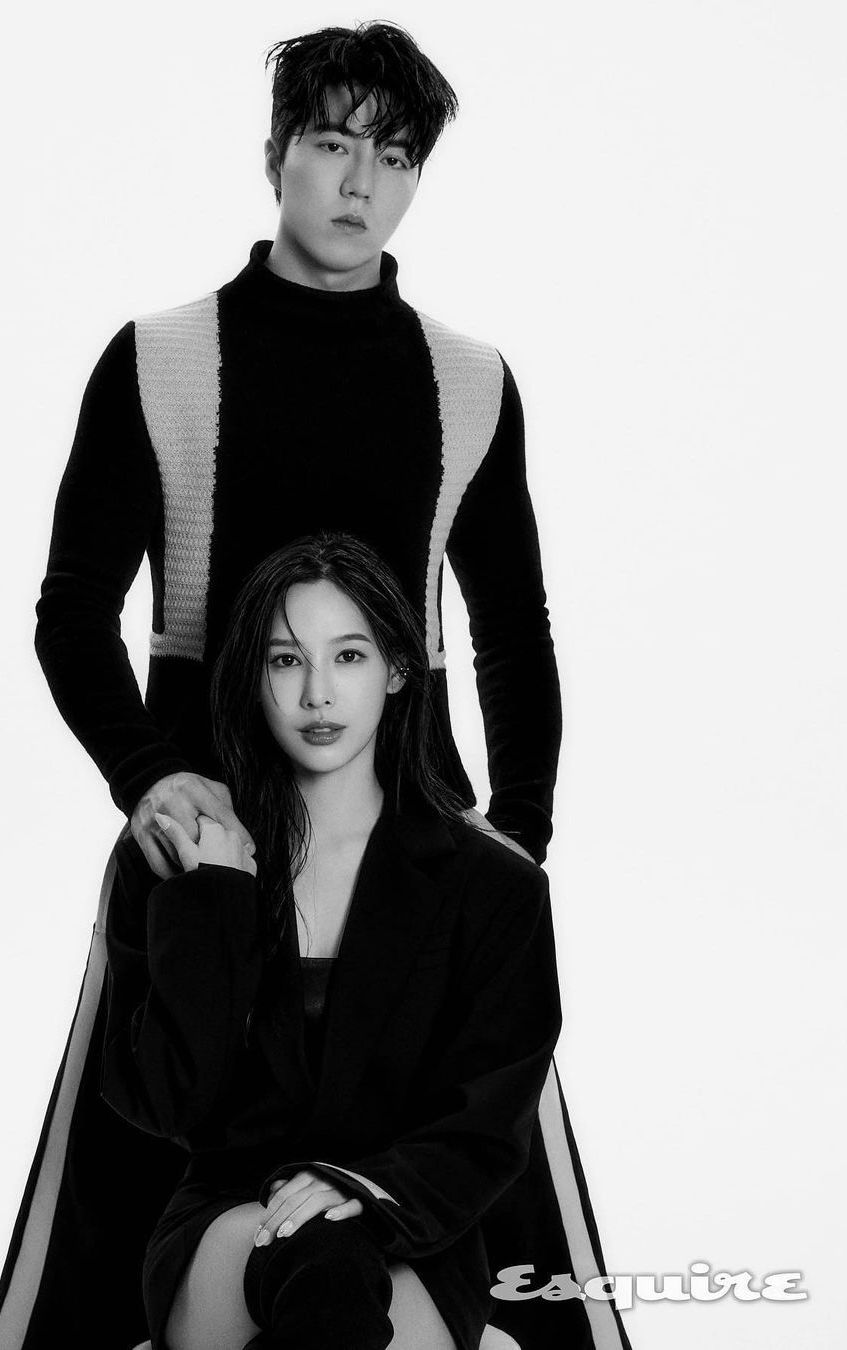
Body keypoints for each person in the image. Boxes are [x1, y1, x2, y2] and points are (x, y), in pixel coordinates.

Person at [0, 22, 630, 1350]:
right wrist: (148, 778)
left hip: (413, 839)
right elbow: (69, 612)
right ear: (274, 154)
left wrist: (522, 826)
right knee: (126, 1173)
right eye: (332, 144)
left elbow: (512, 625)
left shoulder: (468, 379)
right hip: (208, 842)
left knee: (485, 1160)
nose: (358, 183)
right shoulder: (162, 357)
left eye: (393, 157)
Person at [103, 530, 563, 1350]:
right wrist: (213, 901)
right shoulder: (175, 860)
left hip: (409, 1224)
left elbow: (488, 1126)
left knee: (335, 1267)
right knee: (320, 1258)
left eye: (348, 656)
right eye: (286, 661)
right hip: (229, 1221)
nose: (318, 694)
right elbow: (163, 1102)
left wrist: (360, 1186)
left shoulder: (496, 886)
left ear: (398, 669)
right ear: (253, 677)